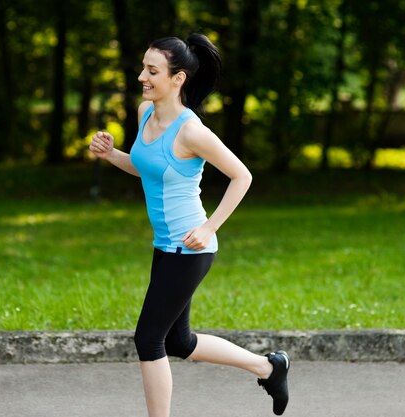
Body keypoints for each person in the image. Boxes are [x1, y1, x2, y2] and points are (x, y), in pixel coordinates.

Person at [89, 33, 290, 417]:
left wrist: (211, 227)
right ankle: (269, 367)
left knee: (148, 339)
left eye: (152, 71)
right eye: (143, 68)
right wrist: (112, 154)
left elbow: (242, 177)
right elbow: (146, 167)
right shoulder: (144, 113)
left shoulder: (192, 131)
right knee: (179, 341)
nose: (141, 77)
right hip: (165, 246)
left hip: (191, 248)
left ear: (177, 78)